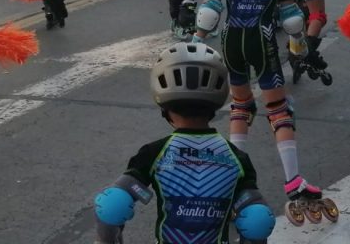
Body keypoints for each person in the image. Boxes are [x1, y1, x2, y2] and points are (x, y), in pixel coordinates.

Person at [192, 0, 338, 225]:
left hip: (231, 41)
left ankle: (233, 178)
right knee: (279, 109)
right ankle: (293, 181)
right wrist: (299, 46)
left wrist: (197, 41)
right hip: (261, 41)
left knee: (240, 107)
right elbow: (292, 19)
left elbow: (211, 9)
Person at [94, 43, 276, 244]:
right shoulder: (236, 157)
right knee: (257, 218)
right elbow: (256, 218)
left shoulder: (154, 153)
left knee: (112, 203)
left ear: (164, 105)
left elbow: (113, 205)